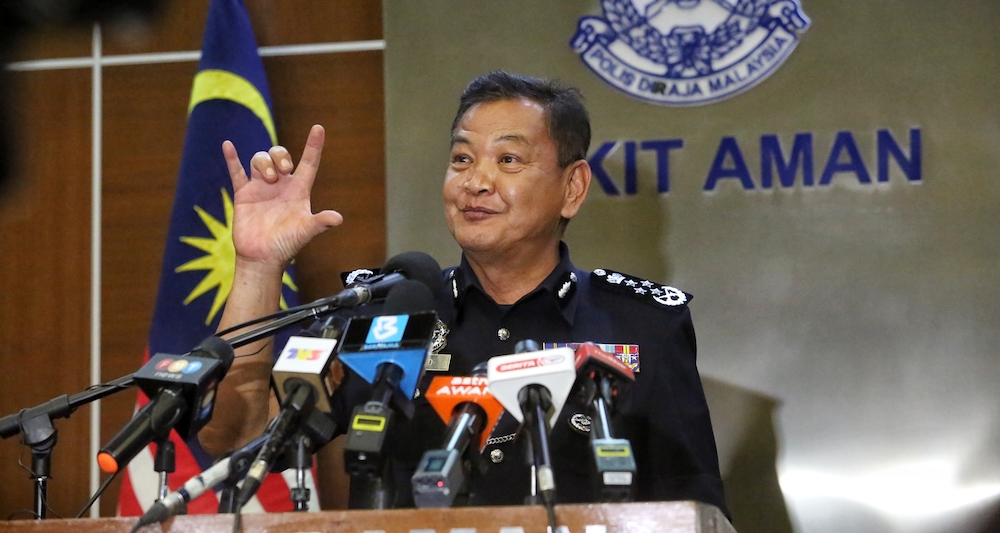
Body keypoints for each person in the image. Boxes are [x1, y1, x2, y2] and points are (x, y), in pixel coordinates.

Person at [200, 70, 727, 514]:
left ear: (573, 188)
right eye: (461, 159)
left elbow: (697, 509)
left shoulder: (640, 324)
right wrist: (258, 265)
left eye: (508, 161)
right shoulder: (388, 314)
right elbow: (235, 433)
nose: (476, 181)